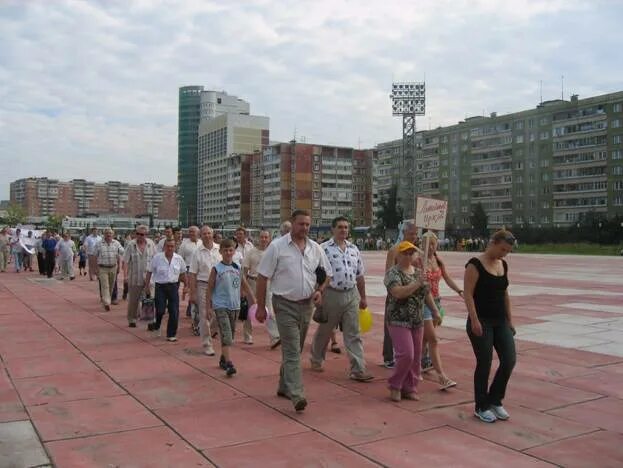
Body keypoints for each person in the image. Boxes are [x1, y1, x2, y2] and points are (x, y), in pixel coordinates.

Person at [255, 209, 332, 413]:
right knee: (291, 351)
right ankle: (297, 393)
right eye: (301, 224)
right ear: (292, 223)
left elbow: (327, 275)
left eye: (307, 225)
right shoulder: (277, 247)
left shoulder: (315, 249)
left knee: (295, 348)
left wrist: (319, 291)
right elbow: (263, 277)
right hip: (284, 304)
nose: (304, 228)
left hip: (306, 305)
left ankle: (283, 385)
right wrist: (261, 307)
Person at [310, 216, 373, 382]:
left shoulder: (354, 249)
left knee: (353, 332)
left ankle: (358, 369)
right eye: (340, 227)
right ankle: (316, 359)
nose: (343, 230)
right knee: (325, 329)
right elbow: (317, 274)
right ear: (333, 229)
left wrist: (363, 297)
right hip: (331, 294)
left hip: (351, 294)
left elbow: (359, 275)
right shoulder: (323, 249)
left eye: (346, 227)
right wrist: (319, 293)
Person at [464, 230, 517, 423]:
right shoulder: (474, 265)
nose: (504, 254)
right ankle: (481, 406)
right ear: (493, 243)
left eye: (508, 251)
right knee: (484, 363)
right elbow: (468, 294)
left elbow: (505, 294)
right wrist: (475, 319)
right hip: (481, 321)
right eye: (503, 249)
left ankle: (495, 399)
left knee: (509, 359)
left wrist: (510, 320)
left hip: (500, 320)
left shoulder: (503, 265)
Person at [384, 240, 439, 402]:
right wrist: (417, 284)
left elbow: (427, 293)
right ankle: (395, 385)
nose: (408, 256)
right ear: (398, 255)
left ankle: (411, 387)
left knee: (416, 357)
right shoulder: (393, 273)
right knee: (406, 354)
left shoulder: (418, 272)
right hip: (398, 319)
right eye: (405, 253)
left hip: (417, 319)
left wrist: (435, 310)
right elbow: (398, 293)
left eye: (411, 253)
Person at [418, 232, 463, 389]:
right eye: (426, 243)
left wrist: (460, 291)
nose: (430, 247)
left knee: (424, 339)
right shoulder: (418, 261)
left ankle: (416, 366)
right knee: (433, 340)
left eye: (433, 243)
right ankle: (442, 376)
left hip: (436, 302)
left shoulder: (438, 260)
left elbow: (447, 278)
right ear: (421, 244)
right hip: (423, 303)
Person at [206, 239, 255, 376]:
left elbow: (244, 284)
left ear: (234, 251)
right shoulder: (216, 269)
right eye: (225, 250)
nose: (228, 252)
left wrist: (254, 300)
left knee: (231, 335)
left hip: (235, 306)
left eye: (230, 250)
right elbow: (209, 288)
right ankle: (229, 363)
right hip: (221, 306)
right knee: (226, 334)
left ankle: (223, 358)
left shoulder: (237, 267)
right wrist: (208, 307)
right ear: (221, 252)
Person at [383, 221, 422, 368]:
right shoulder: (394, 250)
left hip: (414, 295)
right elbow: (388, 272)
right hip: (396, 293)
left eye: (415, 234)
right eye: (411, 233)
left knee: (415, 327)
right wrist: (393, 292)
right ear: (404, 233)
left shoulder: (418, 252)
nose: (414, 236)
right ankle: (389, 357)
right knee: (391, 326)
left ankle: (416, 358)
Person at [242, 230, 281, 349]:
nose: (263, 239)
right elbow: (243, 272)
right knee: (251, 309)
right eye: (261, 237)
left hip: (268, 284)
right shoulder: (251, 252)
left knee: (269, 310)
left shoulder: (272, 252)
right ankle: (247, 335)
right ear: (258, 238)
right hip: (253, 282)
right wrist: (244, 288)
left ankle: (275, 337)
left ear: (269, 239)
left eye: (266, 237)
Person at [144, 238, 188, 341]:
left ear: (175, 247)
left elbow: (183, 273)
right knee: (160, 310)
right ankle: (157, 324)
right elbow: (149, 271)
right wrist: (147, 286)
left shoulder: (179, 259)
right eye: (168, 246)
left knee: (174, 311)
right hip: (160, 286)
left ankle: (171, 334)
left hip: (173, 286)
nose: (170, 248)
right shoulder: (157, 258)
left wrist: (186, 285)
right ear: (164, 247)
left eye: (172, 246)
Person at [188, 225, 221, 355]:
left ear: (212, 234)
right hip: (203, 285)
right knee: (204, 315)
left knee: (219, 313)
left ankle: (212, 331)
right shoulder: (197, 252)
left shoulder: (219, 249)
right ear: (201, 236)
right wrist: (193, 292)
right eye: (204, 234)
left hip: (219, 285)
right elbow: (192, 274)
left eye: (209, 233)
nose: (207, 236)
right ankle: (207, 344)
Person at [123, 225, 156, 328]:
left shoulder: (151, 244)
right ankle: (132, 319)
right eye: (137, 234)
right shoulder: (131, 245)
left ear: (146, 235)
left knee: (149, 299)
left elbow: (155, 260)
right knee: (134, 300)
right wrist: (125, 276)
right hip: (134, 277)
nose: (139, 236)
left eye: (142, 234)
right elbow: (126, 261)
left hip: (148, 277)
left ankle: (150, 321)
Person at [96, 228, 124, 311]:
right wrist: (94, 268)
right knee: (105, 286)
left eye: (110, 233)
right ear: (104, 234)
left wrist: (119, 266)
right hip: (102, 267)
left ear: (113, 235)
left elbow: (121, 253)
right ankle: (107, 302)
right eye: (107, 233)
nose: (108, 235)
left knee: (111, 286)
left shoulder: (116, 243)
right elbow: (94, 256)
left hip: (113, 267)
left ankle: (107, 299)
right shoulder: (99, 244)